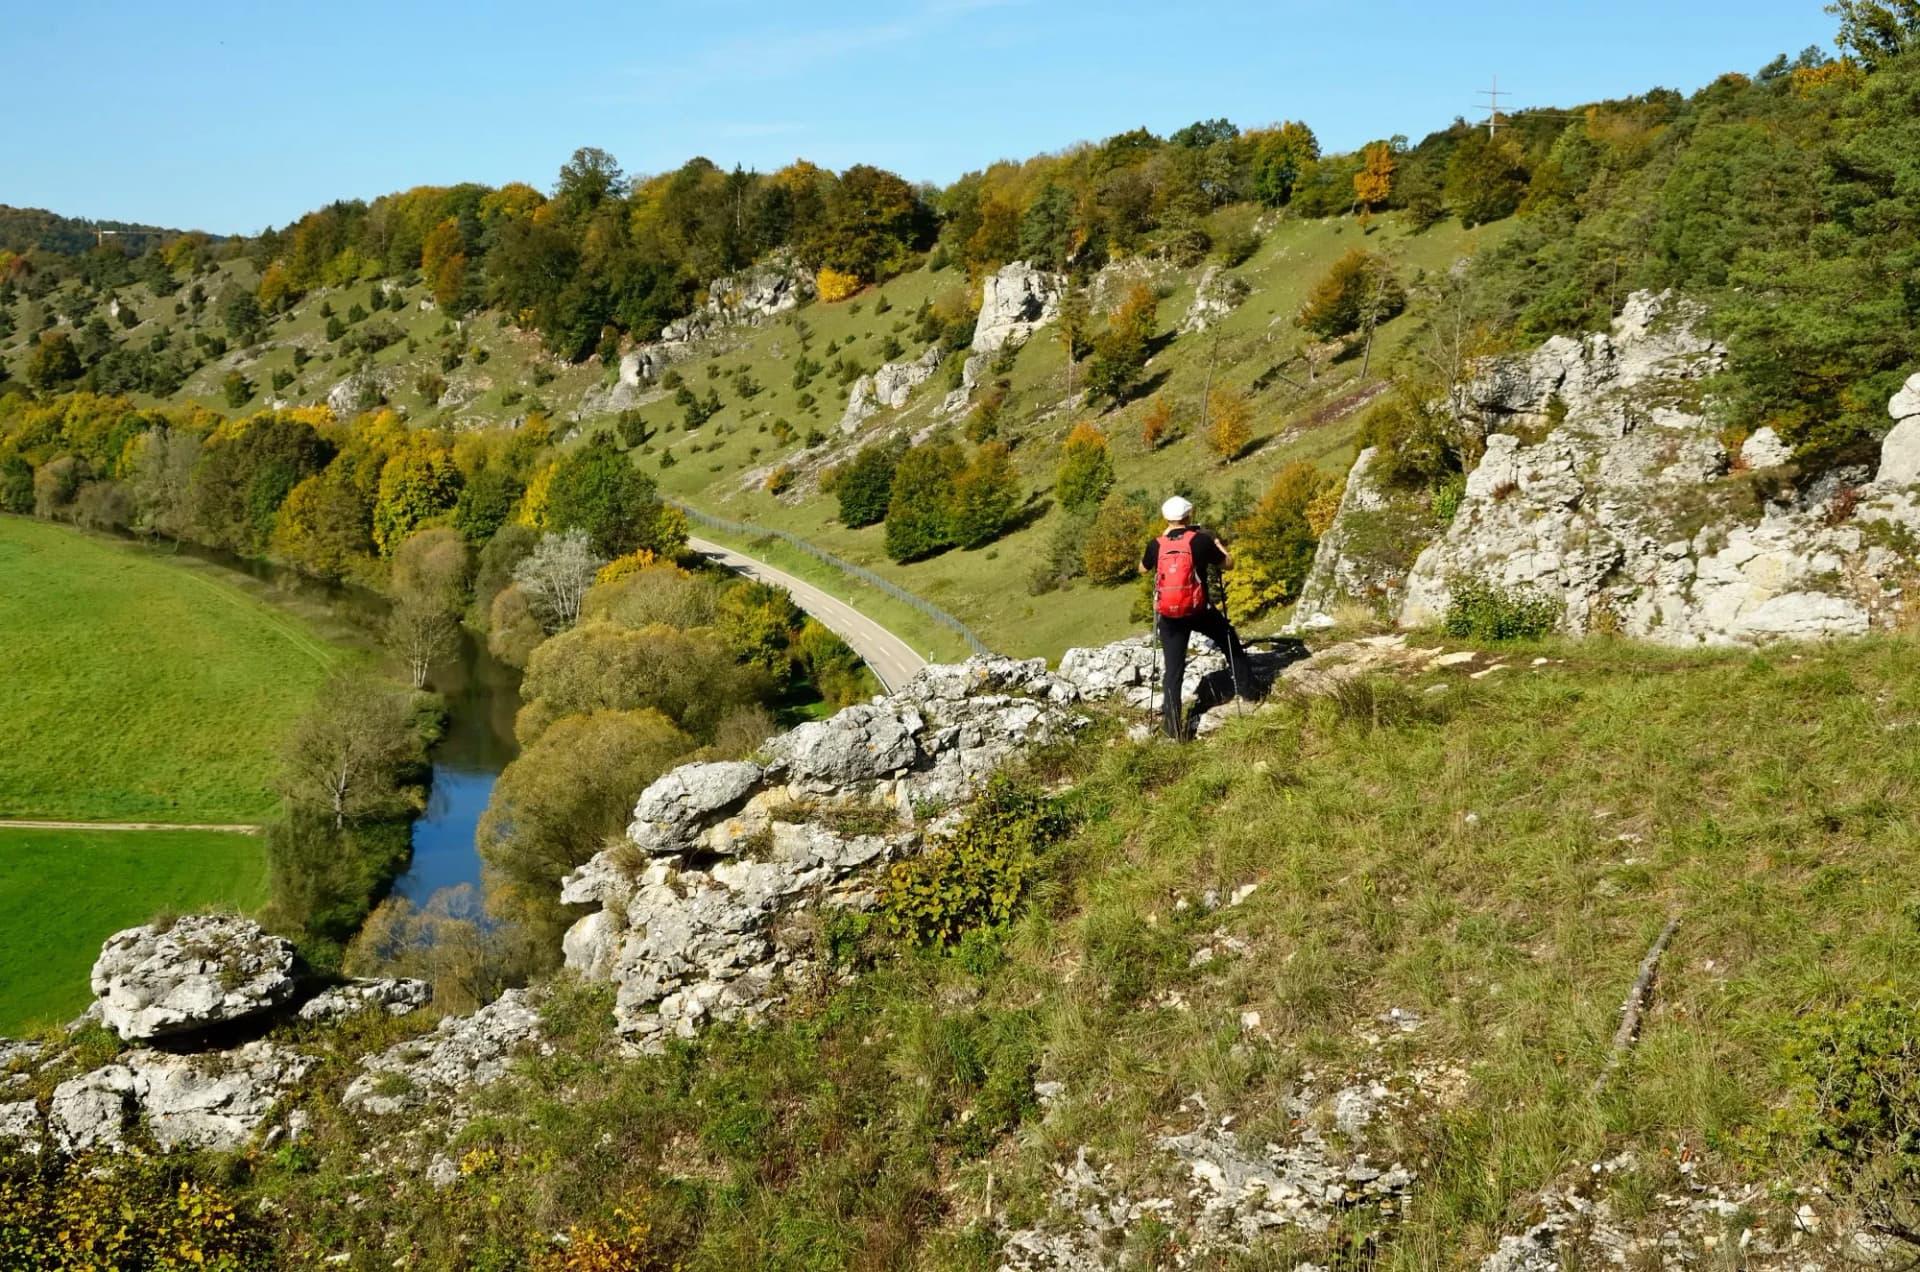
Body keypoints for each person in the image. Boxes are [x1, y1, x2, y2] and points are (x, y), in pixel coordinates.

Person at [1141, 495, 1254, 740]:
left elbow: (1142, 568)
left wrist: (1162, 543)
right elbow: (1228, 564)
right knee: (1228, 638)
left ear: (1166, 518)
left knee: (1173, 671)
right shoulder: (1200, 540)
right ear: (1188, 516)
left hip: (1170, 617)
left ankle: (1173, 729)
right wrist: (1217, 543)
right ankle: (1249, 692)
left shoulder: (1156, 544)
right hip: (1199, 610)